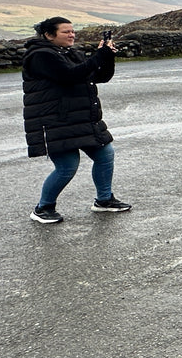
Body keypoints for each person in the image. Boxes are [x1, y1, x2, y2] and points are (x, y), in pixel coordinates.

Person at [22, 17, 131, 224]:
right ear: (49, 35)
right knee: (67, 166)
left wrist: (107, 57)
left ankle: (104, 200)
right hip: (57, 121)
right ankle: (43, 208)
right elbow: (69, 76)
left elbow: (99, 76)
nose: (72, 35)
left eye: (72, 31)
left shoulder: (70, 53)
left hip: (82, 119)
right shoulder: (40, 56)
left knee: (105, 154)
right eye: (66, 32)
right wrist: (99, 55)